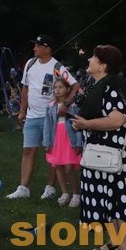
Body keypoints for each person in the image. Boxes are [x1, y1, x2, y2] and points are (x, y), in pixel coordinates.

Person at [72, 45, 126, 250]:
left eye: (93, 58)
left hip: (115, 155)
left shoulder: (111, 88)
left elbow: (117, 119)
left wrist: (86, 124)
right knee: (108, 198)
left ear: (102, 66)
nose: (89, 60)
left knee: (118, 199)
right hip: (104, 154)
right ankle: (116, 241)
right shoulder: (102, 85)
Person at [6, 35, 78, 200]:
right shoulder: (30, 64)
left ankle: (50, 187)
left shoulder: (57, 67)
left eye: (38, 46)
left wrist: (66, 104)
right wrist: (22, 110)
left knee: (51, 152)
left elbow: (75, 86)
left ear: (47, 49)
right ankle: (23, 188)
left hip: (50, 117)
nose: (34, 48)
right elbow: (25, 88)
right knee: (28, 150)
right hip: (32, 115)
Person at [42, 78, 82, 208]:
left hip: (69, 139)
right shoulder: (50, 106)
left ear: (68, 89)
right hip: (56, 139)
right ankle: (65, 193)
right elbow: (48, 126)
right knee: (58, 166)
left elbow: (78, 124)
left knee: (69, 167)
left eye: (61, 87)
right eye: (55, 87)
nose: (57, 90)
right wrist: (47, 142)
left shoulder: (73, 106)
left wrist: (78, 143)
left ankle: (76, 193)